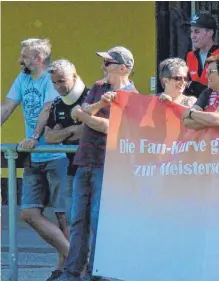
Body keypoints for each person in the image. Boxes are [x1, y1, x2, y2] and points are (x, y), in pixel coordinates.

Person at [57, 46, 138, 281]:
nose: (103, 67)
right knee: (78, 219)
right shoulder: (99, 88)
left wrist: (86, 117)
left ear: (123, 68)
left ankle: (94, 273)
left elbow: (111, 128)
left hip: (108, 165)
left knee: (98, 220)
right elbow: (77, 112)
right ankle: (72, 272)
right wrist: (99, 106)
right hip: (84, 161)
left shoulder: (132, 95)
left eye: (108, 63)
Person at [0, 38, 70, 281]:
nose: (21, 59)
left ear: (38, 58)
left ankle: (65, 269)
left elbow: (47, 110)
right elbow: (7, 107)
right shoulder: (23, 79)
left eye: (25, 55)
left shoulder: (51, 78)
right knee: (28, 213)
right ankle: (75, 258)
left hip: (56, 153)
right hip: (34, 156)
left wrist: (33, 136)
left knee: (63, 215)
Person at [45, 59, 90, 224]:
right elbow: (49, 137)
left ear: (74, 76)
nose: (58, 86)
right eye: (54, 82)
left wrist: (63, 132)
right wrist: (72, 130)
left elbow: (87, 131)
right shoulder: (57, 104)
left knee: (93, 219)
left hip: (94, 168)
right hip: (72, 170)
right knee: (74, 220)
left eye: (62, 81)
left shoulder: (91, 97)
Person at [184, 12, 219, 97]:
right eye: (191, 31)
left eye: (196, 32)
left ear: (210, 32)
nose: (192, 36)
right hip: (196, 105)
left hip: (217, 105)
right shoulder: (190, 56)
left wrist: (197, 87)